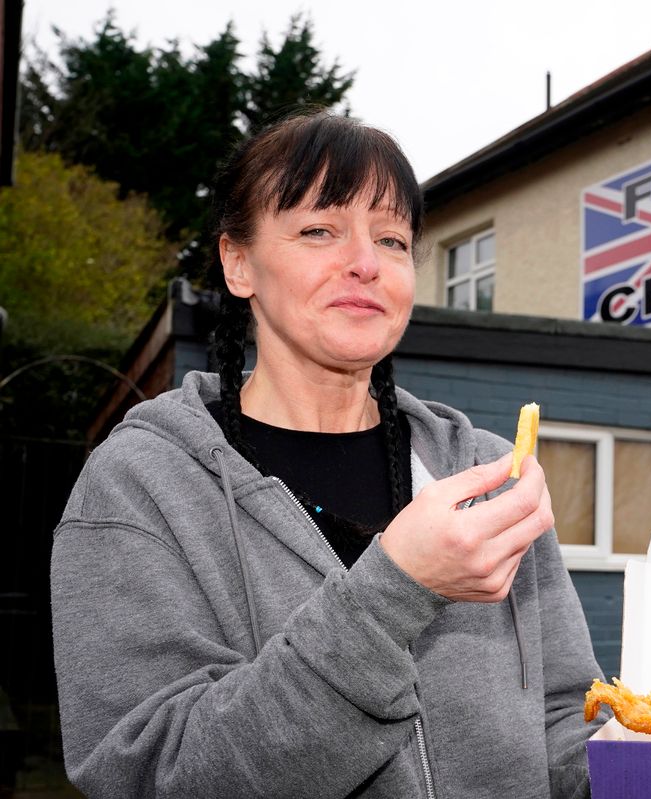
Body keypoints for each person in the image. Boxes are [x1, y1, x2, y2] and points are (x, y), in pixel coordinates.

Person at [50, 110, 606, 798]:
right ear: (238, 261)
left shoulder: (488, 474)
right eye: (319, 230)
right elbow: (160, 775)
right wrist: (398, 588)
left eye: (393, 239)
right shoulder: (142, 485)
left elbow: (563, 722)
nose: (366, 263)